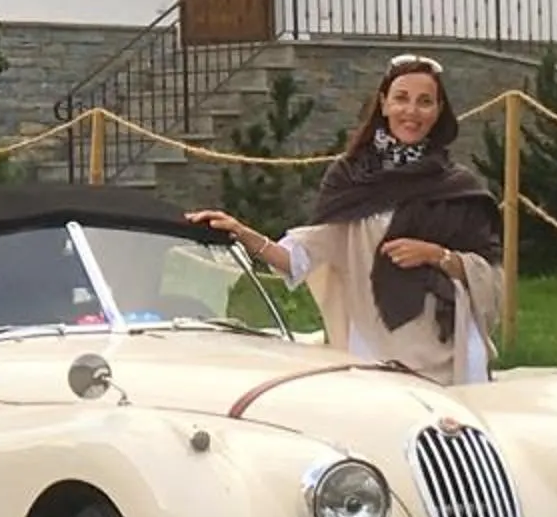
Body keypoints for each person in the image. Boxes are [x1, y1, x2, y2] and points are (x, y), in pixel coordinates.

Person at [187, 54, 506, 384]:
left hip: (447, 347)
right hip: (373, 345)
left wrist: (437, 256)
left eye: (425, 102)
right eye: (401, 98)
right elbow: (303, 254)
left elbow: (490, 274)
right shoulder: (351, 177)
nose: (411, 111)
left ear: (439, 111)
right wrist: (241, 233)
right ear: (383, 103)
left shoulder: (457, 185)